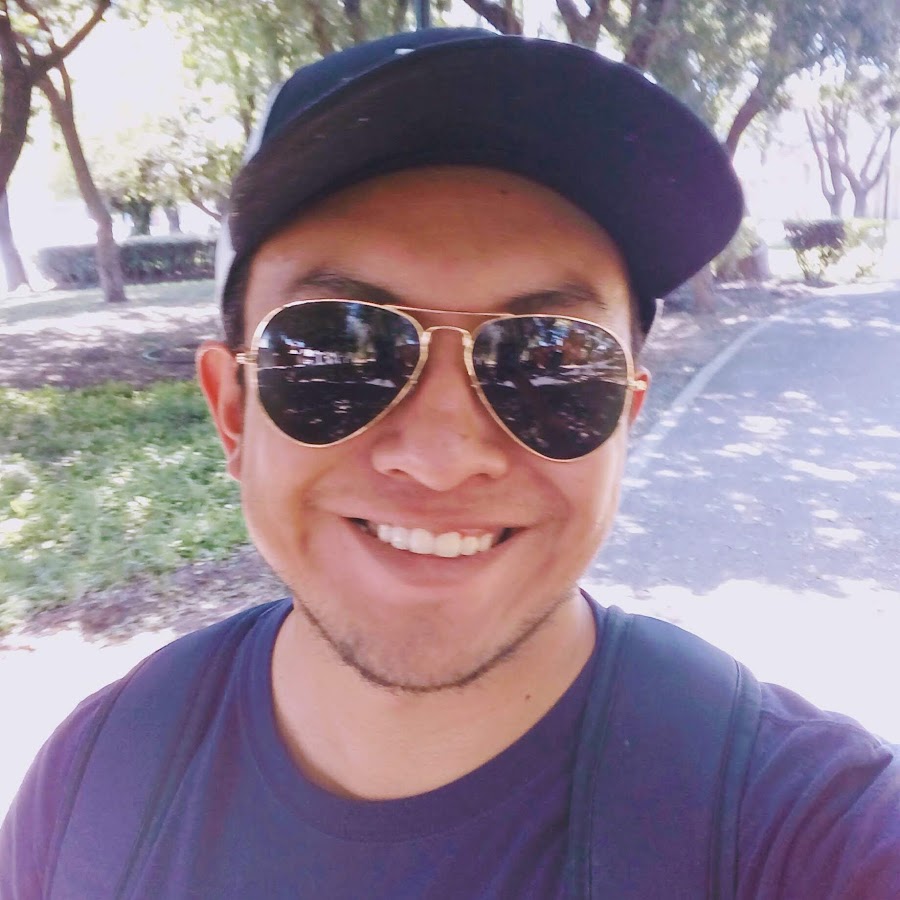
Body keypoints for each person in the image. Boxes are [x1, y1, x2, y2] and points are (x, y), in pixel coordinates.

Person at [2, 28, 898, 899]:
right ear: (233, 411)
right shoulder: (91, 785)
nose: (441, 459)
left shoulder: (805, 828)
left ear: (623, 417)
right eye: (337, 350)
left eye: (551, 362)